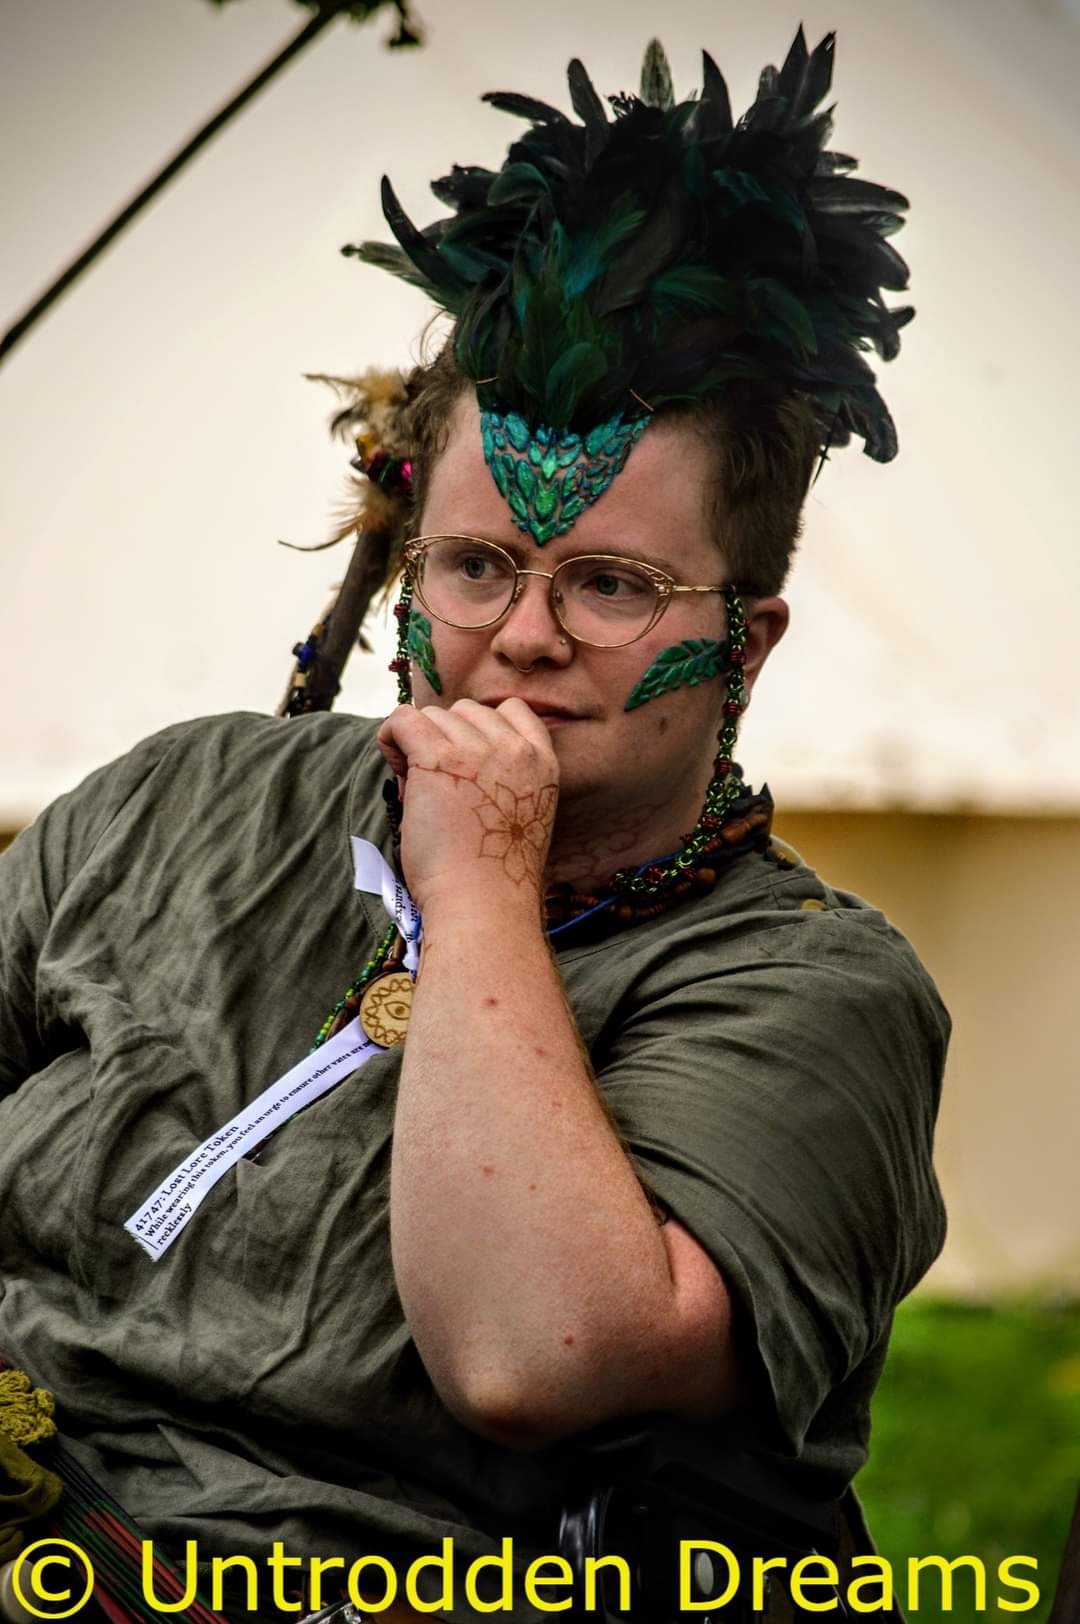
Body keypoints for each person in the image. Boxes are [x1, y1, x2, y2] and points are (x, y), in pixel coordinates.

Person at [0, 27, 948, 1624]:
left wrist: (484, 883)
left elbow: (532, 1360)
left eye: (611, 585)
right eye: (475, 566)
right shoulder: (186, 796)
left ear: (750, 643)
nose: (521, 637)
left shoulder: (813, 992)